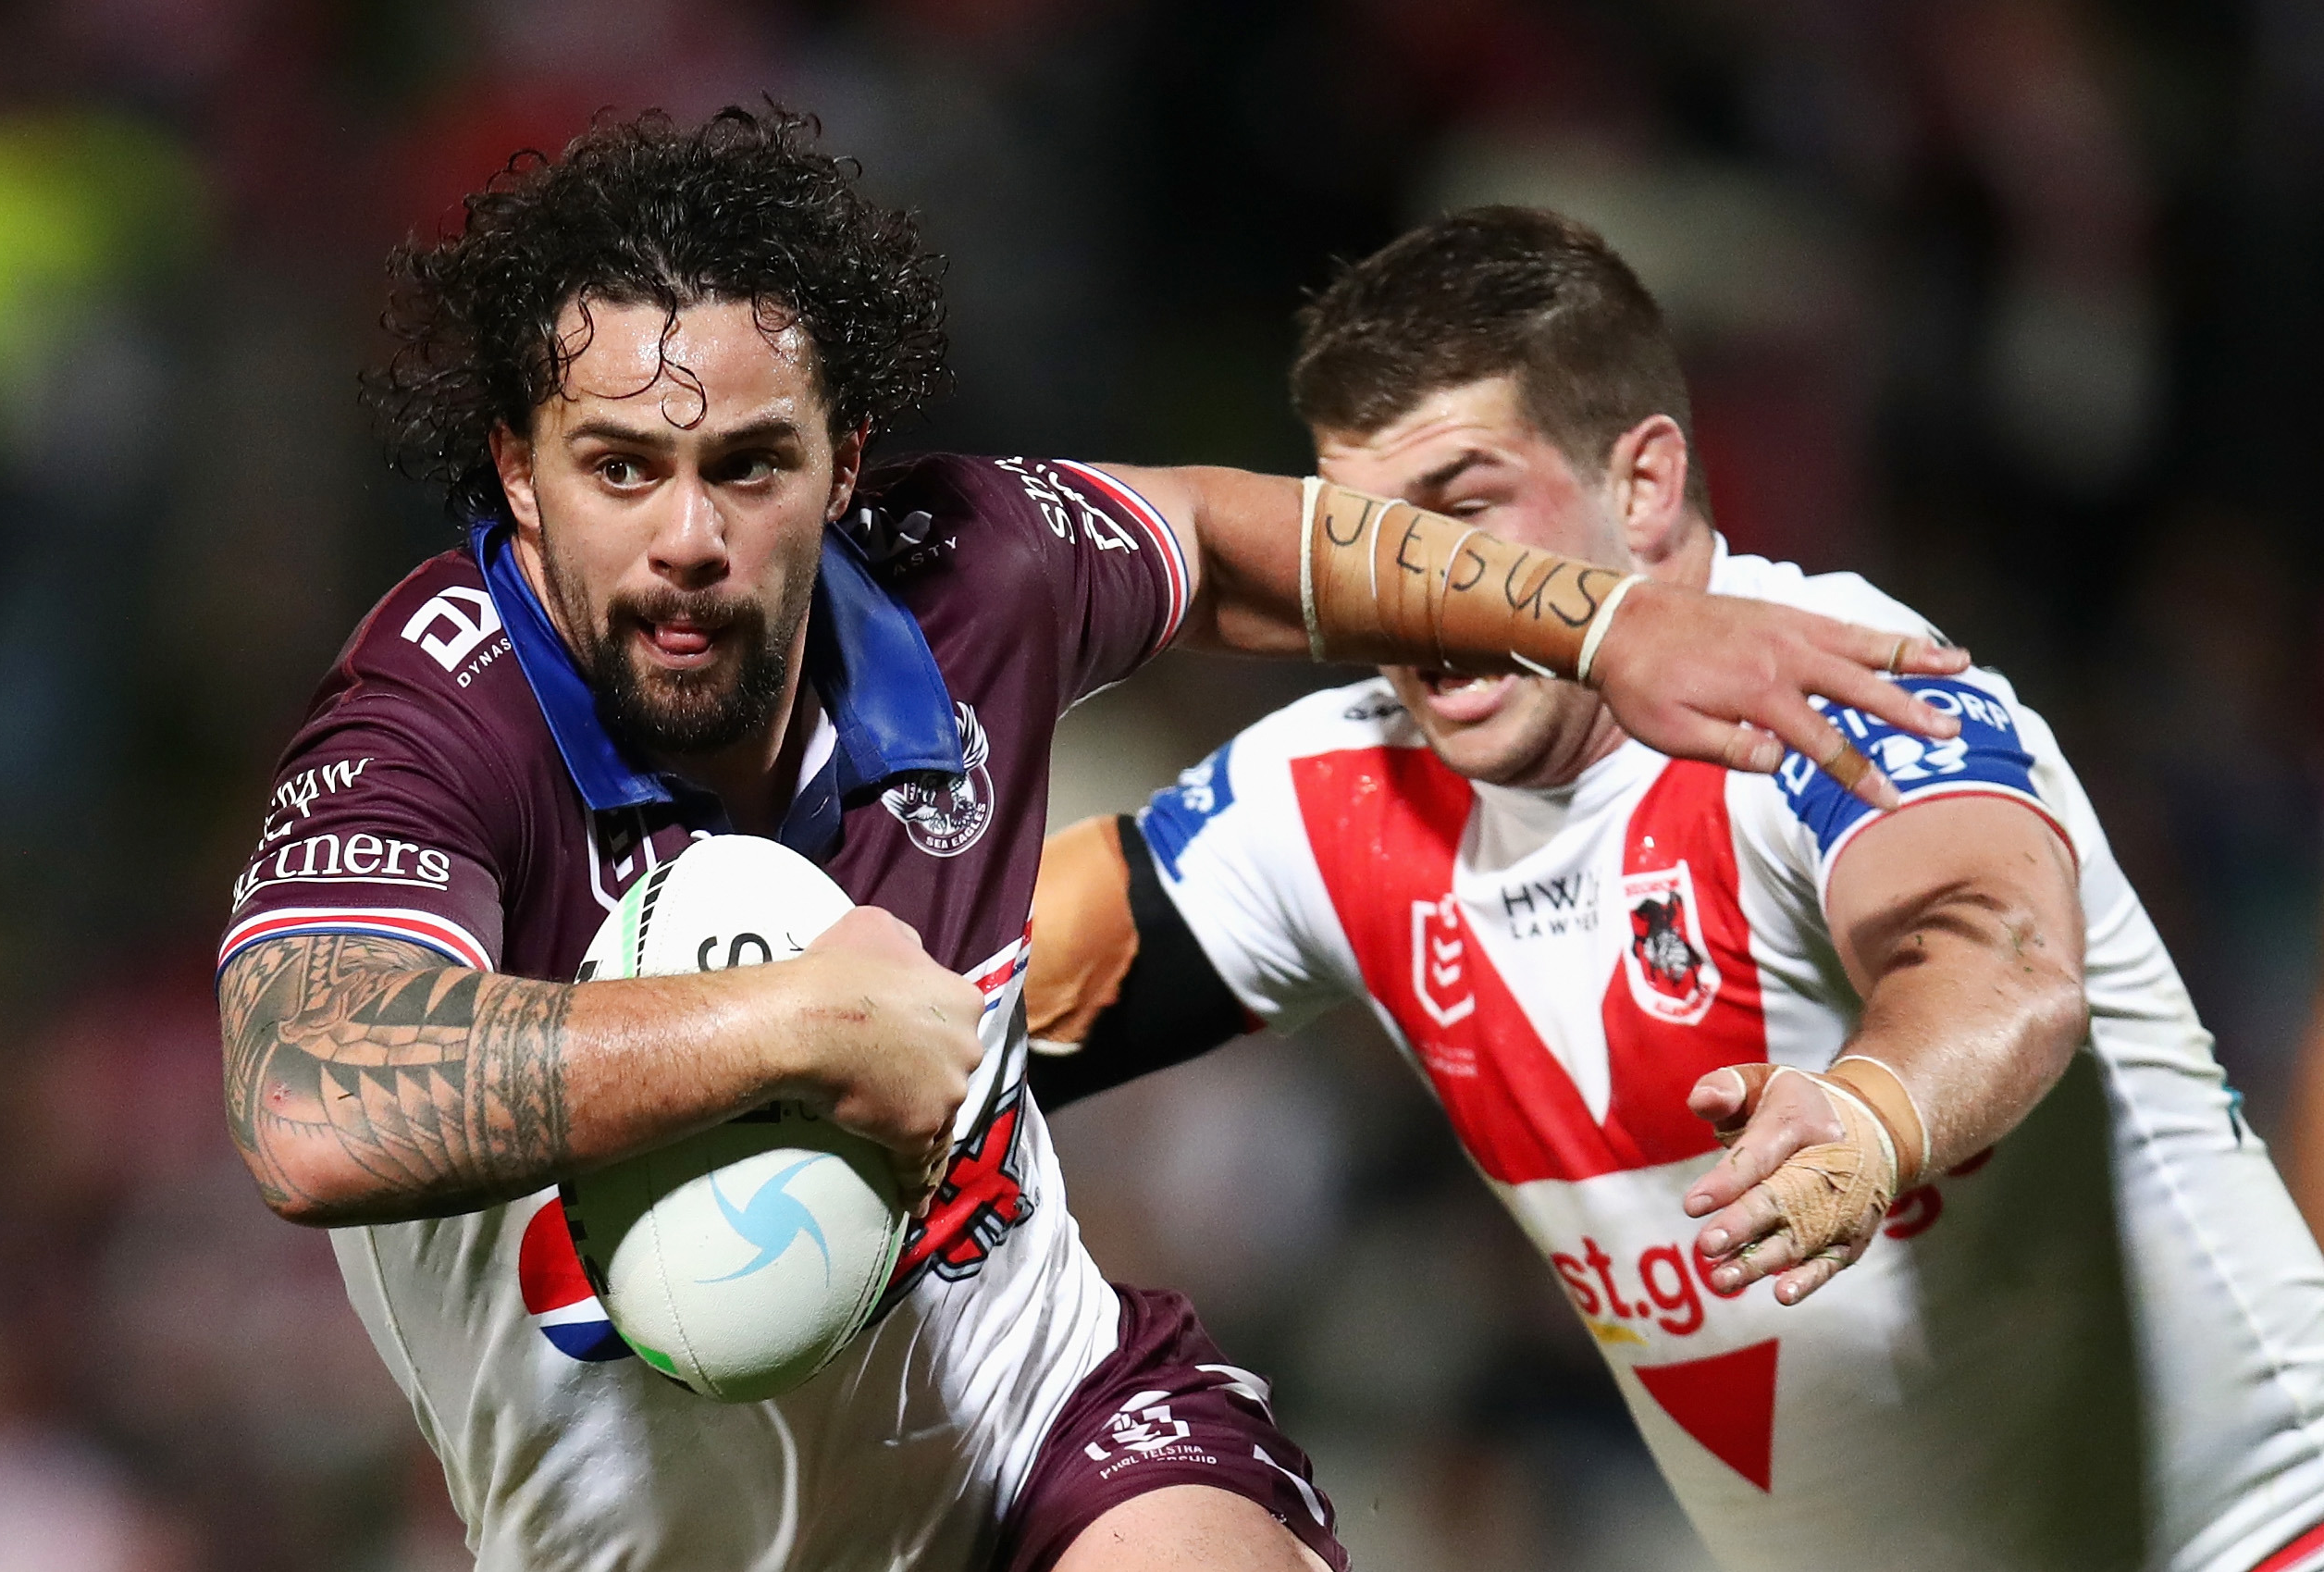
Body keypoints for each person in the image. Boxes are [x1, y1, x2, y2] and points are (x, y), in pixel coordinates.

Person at [212, 115, 1959, 1572]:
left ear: (844, 464)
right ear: (518, 472)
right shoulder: (435, 722)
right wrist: (803, 1029)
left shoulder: (963, 572)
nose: (688, 537)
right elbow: (305, 1100)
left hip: (1051, 1447)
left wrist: (1592, 624)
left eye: (751, 466)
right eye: (618, 467)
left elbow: (1228, 538)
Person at [1027, 207, 2324, 1572]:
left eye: (1461, 518)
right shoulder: (1329, 793)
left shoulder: (1837, 688)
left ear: (1642, 483)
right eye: (1369, 547)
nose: (1418, 600)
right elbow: (965, 1001)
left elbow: (1995, 952)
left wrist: (1869, 1118)